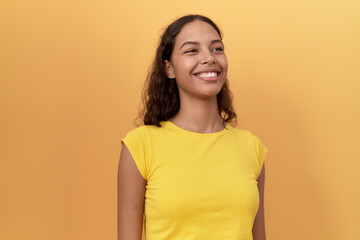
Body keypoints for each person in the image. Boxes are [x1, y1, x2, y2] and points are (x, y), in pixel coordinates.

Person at [118, 14, 268, 240]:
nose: (209, 58)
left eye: (217, 49)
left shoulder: (252, 148)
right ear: (169, 68)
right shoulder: (140, 146)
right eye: (192, 50)